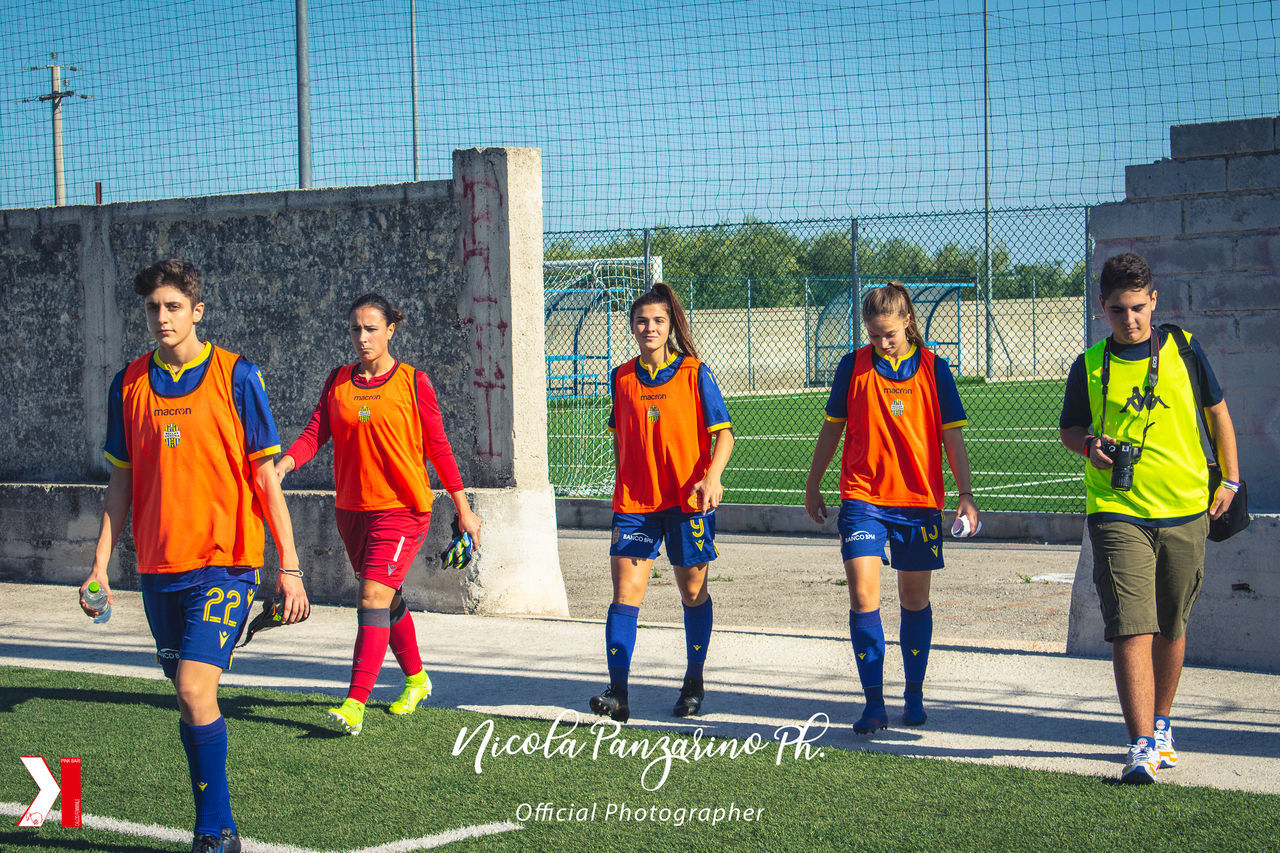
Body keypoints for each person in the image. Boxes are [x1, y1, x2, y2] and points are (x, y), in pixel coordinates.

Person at [80, 259, 309, 853]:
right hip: (158, 571)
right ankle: (214, 822)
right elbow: (120, 485)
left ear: (197, 312)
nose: (162, 317)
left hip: (225, 564)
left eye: (173, 307)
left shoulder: (238, 376)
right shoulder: (127, 384)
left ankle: (216, 830)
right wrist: (101, 564)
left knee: (191, 689)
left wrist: (288, 566)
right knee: (189, 698)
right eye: (154, 308)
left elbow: (266, 481)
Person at [1058, 252, 1239, 784]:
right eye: (1118, 310)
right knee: (1130, 627)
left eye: (1138, 308)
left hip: (1186, 507)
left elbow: (1218, 414)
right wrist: (1090, 446)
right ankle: (1139, 745)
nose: (1129, 319)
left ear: (1154, 301)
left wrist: (1229, 479)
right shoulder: (1089, 364)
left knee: (1171, 623)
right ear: (1102, 307)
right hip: (1118, 510)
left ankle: (1162, 724)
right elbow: (1070, 430)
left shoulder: (1184, 350)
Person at [276, 293, 481, 736]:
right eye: (355, 329)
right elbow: (315, 432)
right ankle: (417, 679)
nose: (362, 337)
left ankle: (355, 703)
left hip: (403, 511)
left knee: (370, 597)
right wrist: (286, 464)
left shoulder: (412, 382)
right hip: (352, 510)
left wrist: (463, 509)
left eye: (371, 328)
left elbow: (439, 448)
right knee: (386, 599)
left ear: (391, 329)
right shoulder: (338, 381)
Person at [804, 282, 978, 734]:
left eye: (890, 333)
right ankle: (873, 703)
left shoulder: (935, 370)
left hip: (918, 502)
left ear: (907, 321)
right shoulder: (852, 367)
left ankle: (914, 694)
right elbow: (831, 430)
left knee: (913, 600)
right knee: (864, 597)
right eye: (874, 334)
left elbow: (952, 439)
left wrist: (965, 495)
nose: (882, 342)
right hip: (862, 499)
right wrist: (813, 482)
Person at [589, 282, 735, 724]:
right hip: (635, 504)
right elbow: (620, 440)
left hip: (687, 502)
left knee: (693, 592)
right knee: (624, 596)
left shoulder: (695, 373)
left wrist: (712, 476)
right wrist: (626, 481)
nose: (648, 328)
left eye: (657, 321)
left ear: (669, 325)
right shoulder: (622, 377)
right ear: (631, 327)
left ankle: (694, 680)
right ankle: (618, 693)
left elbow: (724, 434)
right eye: (641, 321)